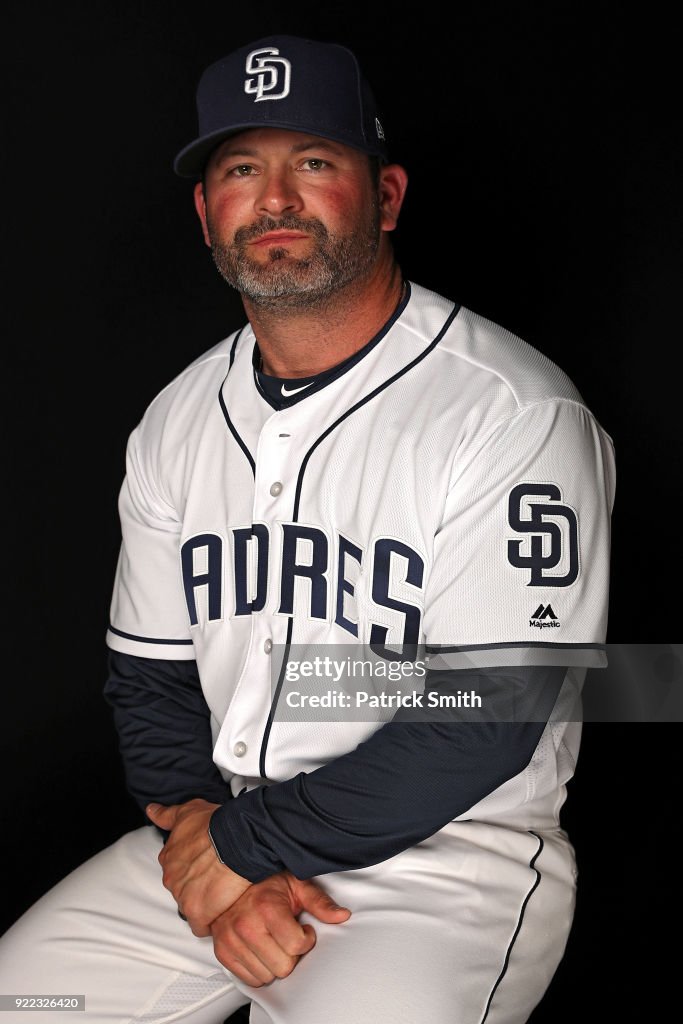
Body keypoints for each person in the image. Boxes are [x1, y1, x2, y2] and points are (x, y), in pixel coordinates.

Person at [0, 34, 616, 1024]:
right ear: (206, 213)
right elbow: (151, 686)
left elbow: (487, 718)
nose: (274, 199)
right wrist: (210, 839)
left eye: (314, 162)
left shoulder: (511, 412)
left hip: (442, 869)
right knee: (24, 1000)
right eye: (240, 169)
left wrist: (240, 851)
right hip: (217, 841)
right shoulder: (176, 420)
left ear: (384, 196)